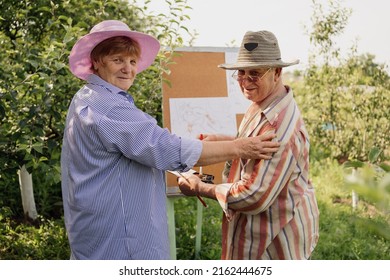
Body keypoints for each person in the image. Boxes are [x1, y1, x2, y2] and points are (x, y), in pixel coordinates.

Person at [61, 20, 280, 260]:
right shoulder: (110, 107)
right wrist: (241, 147)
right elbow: (164, 148)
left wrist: (216, 146)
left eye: (132, 61)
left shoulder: (86, 96)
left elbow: (136, 150)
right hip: (119, 239)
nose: (128, 69)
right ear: (96, 62)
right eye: (118, 60)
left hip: (96, 229)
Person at [178, 30, 320, 260]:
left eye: (254, 74)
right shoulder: (265, 102)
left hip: (274, 244)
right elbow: (253, 146)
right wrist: (229, 141)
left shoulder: (277, 129)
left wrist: (199, 187)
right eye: (240, 73)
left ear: (277, 72)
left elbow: (254, 196)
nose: (245, 82)